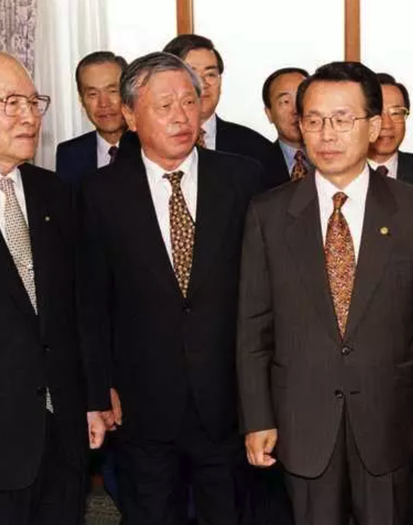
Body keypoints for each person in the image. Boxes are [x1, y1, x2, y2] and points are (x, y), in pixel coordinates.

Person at [237, 61, 413, 525]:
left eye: (342, 119)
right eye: (314, 120)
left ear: (373, 127)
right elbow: (253, 328)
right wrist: (257, 418)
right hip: (301, 421)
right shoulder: (268, 214)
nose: (326, 134)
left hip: (389, 417)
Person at [78, 52, 263, 525]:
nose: (181, 116)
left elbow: (265, 296)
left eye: (189, 102)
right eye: (164, 106)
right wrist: (99, 388)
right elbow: (91, 302)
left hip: (228, 399)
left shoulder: (243, 180)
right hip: (141, 403)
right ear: (129, 115)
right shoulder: (98, 193)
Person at [0, 51, 102, 525]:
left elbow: (81, 307)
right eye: (11, 103)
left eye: (33, 102)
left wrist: (93, 399)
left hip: (62, 433)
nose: (29, 116)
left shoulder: (55, 193)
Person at [163, 34, 287, 189]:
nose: (203, 84)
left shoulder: (257, 149)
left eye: (210, 75)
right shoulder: (143, 146)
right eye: (192, 74)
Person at [55, 51, 128, 185]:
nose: (103, 103)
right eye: (93, 94)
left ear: (129, 93)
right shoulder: (69, 154)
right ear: (81, 100)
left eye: (113, 91)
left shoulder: (151, 148)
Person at [262, 66, 312, 180]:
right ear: (269, 114)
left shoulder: (338, 158)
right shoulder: (257, 165)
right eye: (285, 102)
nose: (295, 110)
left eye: (301, 99)